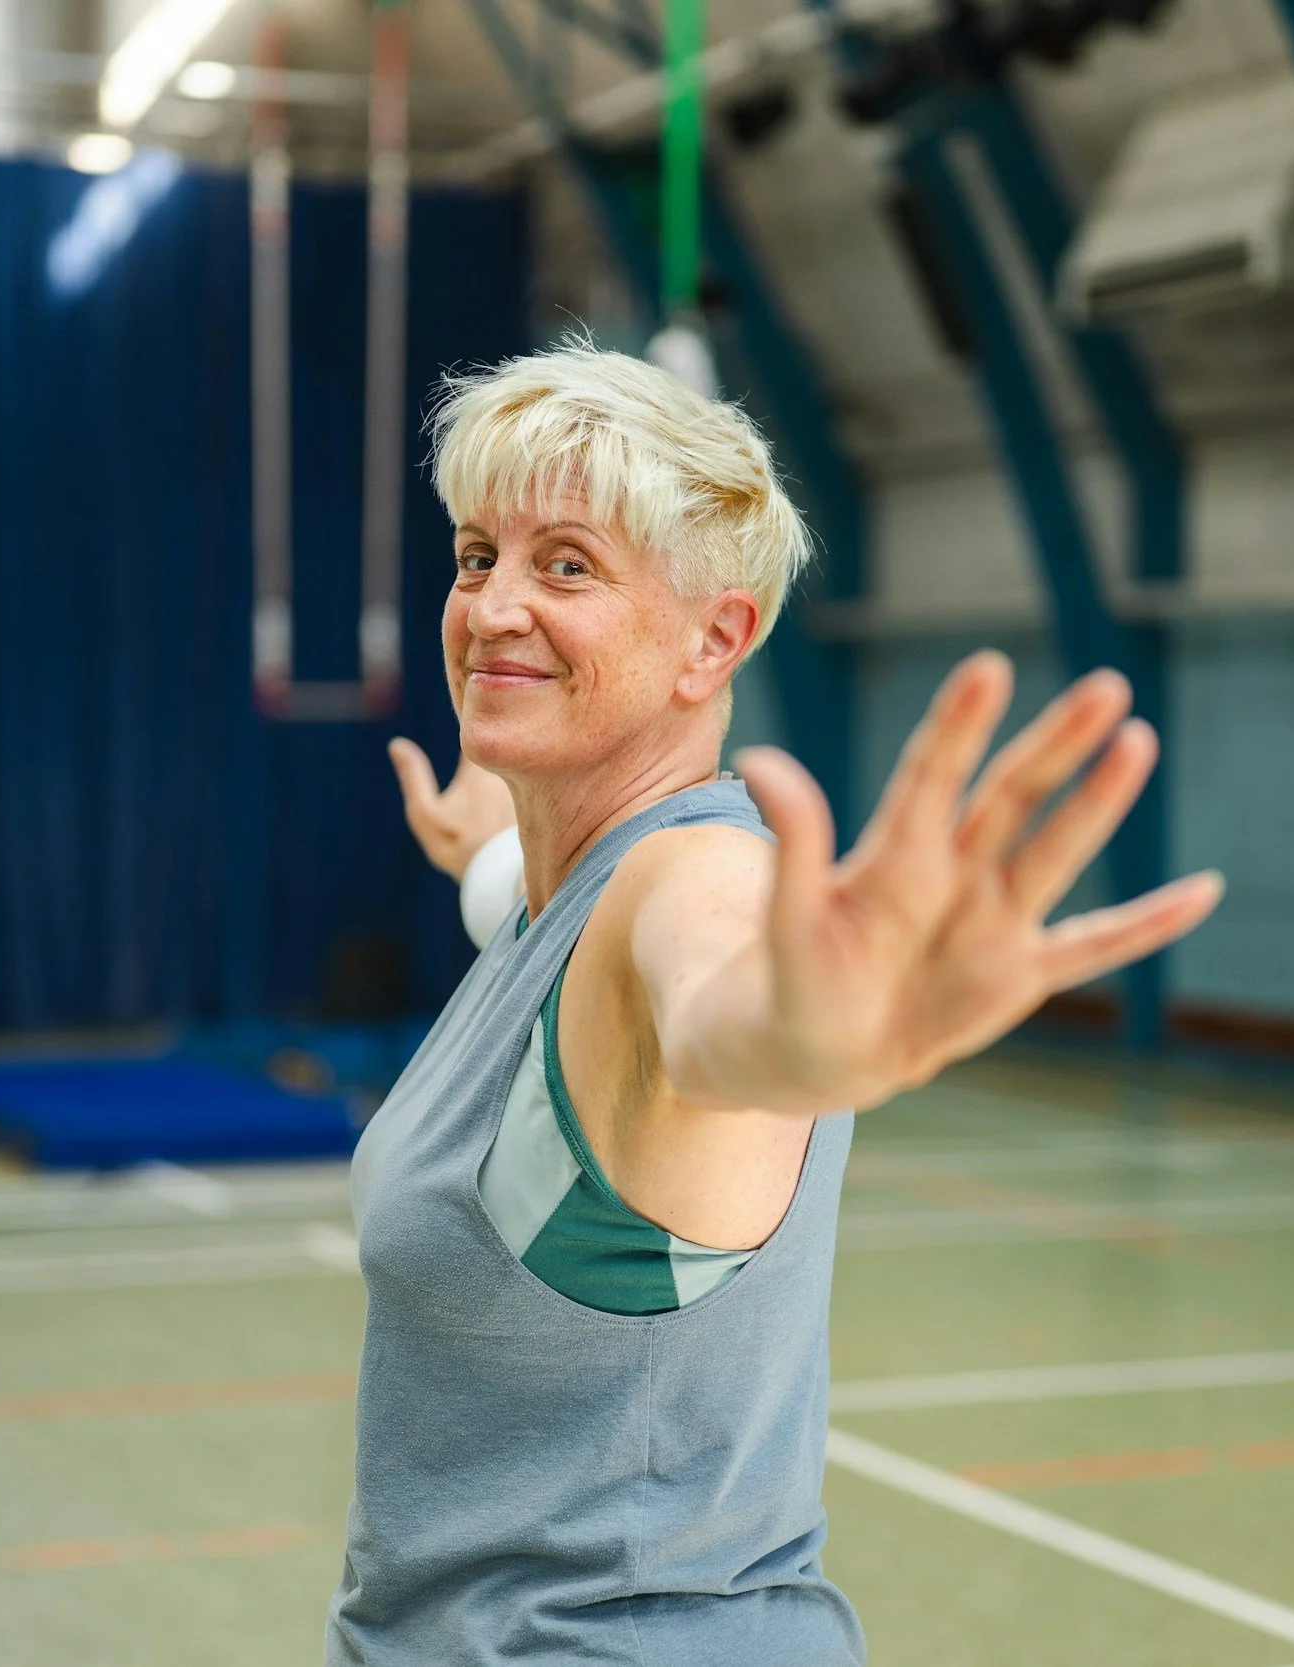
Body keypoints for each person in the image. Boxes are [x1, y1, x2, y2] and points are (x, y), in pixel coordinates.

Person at [330, 340, 1222, 1665]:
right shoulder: (557, 885)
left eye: (565, 564)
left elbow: (715, 1005)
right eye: (477, 555)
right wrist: (489, 846)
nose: (495, 604)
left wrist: (818, 1039)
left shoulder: (691, 883)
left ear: (715, 639)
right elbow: (534, 898)